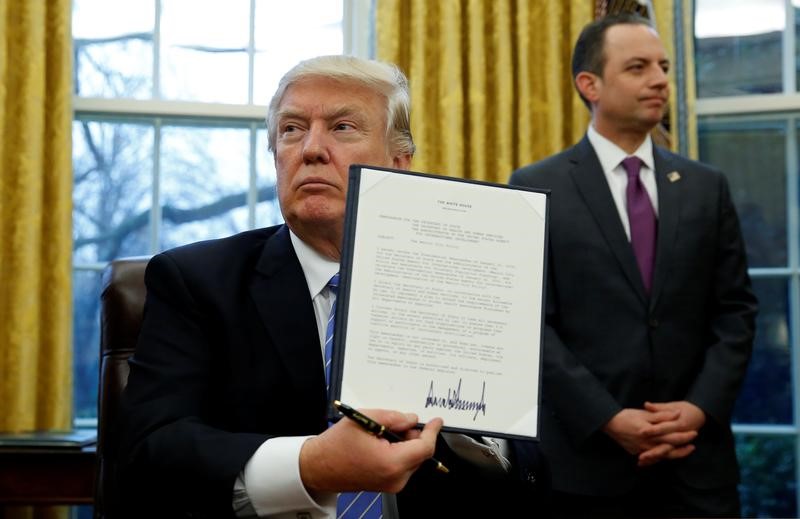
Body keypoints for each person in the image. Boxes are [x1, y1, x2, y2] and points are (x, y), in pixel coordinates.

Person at [113, 55, 548, 518]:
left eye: (342, 128)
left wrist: (472, 422)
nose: (312, 149)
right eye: (292, 129)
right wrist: (310, 467)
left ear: (398, 163)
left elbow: (526, 466)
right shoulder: (196, 281)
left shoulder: (467, 284)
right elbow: (148, 455)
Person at [509, 12, 757, 519]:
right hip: (585, 470)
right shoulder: (536, 185)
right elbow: (531, 324)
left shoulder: (708, 187)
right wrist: (607, 418)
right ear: (590, 84)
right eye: (638, 67)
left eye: (664, 66)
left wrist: (697, 410)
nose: (661, 79)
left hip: (696, 465)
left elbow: (735, 312)